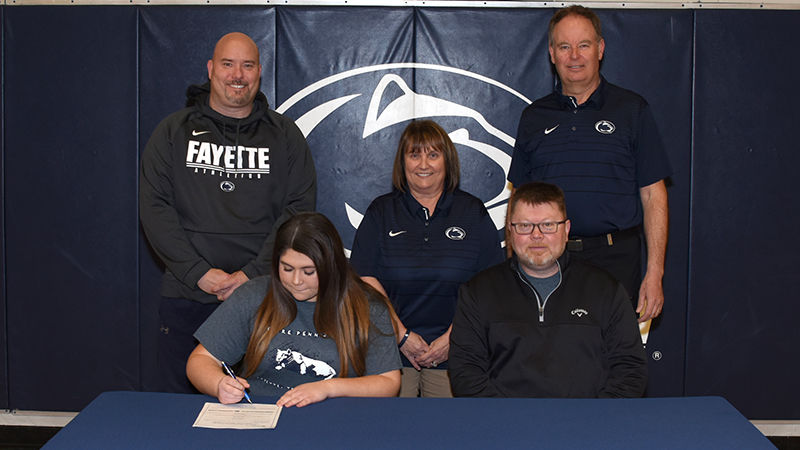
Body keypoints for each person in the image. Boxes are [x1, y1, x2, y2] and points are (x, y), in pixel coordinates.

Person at [140, 32, 316, 393]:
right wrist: (198, 272)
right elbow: (154, 207)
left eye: (248, 65)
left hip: (265, 299)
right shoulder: (173, 131)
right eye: (228, 64)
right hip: (188, 297)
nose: (238, 74)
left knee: (263, 407)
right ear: (210, 69)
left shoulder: (284, 135)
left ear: (259, 72)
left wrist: (251, 275)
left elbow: (298, 210)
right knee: (179, 413)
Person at [508, 6, 671, 322]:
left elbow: (654, 195)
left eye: (583, 45)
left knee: (613, 364)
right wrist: (515, 270)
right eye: (564, 47)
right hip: (548, 261)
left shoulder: (632, 110)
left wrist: (655, 274)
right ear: (552, 54)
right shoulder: (533, 117)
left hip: (617, 261)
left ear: (600, 48)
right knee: (546, 362)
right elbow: (520, 201)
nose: (574, 56)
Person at [349, 120, 504, 397]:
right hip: (391, 353)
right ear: (402, 162)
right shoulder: (381, 212)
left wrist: (455, 338)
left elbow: (492, 284)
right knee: (391, 436)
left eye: (433, 154)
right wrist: (401, 336)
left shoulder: (472, 211)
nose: (424, 164)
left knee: (448, 437)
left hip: (456, 353)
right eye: (414, 154)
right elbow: (364, 279)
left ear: (448, 161)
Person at [449, 182, 647, 398]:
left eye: (548, 225)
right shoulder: (478, 293)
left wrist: (594, 419)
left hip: (588, 425)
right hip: (506, 425)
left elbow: (630, 369)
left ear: (566, 229)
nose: (536, 235)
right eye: (525, 226)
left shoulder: (606, 290)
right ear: (510, 229)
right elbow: (465, 373)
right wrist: (504, 420)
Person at [187, 212, 401, 407]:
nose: (296, 281)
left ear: (331, 266)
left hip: (336, 413)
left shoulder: (367, 305)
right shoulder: (253, 295)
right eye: (287, 269)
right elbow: (201, 360)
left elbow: (388, 382)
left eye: (309, 272)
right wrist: (219, 384)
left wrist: (328, 388)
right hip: (262, 412)